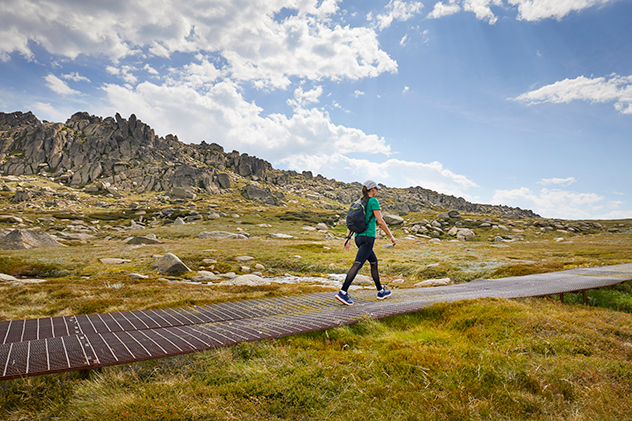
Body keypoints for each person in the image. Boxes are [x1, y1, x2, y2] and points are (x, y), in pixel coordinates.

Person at [335, 179, 397, 306]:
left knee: (374, 262)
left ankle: (380, 291)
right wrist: (391, 236)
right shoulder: (373, 201)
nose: (377, 191)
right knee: (357, 264)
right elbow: (380, 221)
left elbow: (351, 221)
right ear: (372, 189)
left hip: (358, 238)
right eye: (376, 189)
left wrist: (348, 238)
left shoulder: (358, 202)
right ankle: (343, 292)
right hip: (368, 238)